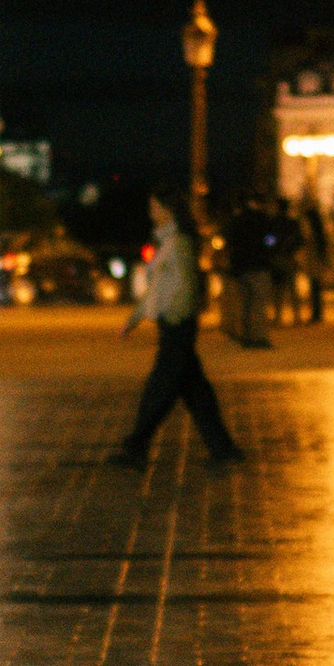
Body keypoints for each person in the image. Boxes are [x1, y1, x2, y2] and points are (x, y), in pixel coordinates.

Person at [113, 195, 244, 469]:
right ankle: (223, 448)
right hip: (172, 322)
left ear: (168, 210)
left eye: (154, 207)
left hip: (177, 323)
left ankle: (136, 445)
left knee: (160, 387)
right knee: (195, 391)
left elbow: (187, 283)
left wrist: (178, 316)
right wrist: (133, 320)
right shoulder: (168, 242)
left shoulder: (179, 243)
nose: (151, 213)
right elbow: (156, 290)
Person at [220, 196, 272, 347]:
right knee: (259, 304)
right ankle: (259, 337)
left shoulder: (235, 222)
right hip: (260, 265)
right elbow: (270, 238)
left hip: (241, 267)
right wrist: (268, 248)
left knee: (244, 304)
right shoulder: (261, 219)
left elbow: (228, 242)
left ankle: (246, 336)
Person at [300, 192, 330, 324]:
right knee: (316, 289)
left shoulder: (312, 233)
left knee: (315, 289)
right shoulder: (319, 232)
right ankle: (317, 313)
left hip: (314, 262)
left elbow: (309, 245)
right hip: (317, 262)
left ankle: (316, 314)